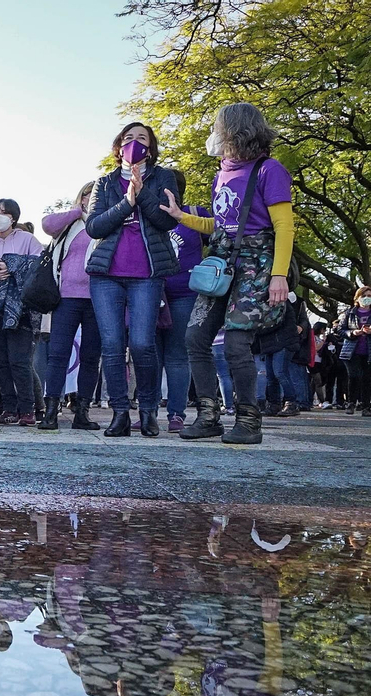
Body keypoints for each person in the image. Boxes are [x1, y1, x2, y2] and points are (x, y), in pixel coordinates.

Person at [164, 102, 296, 444]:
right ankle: (208, 415)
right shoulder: (220, 173)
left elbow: (284, 226)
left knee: (237, 344)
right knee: (195, 337)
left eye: (218, 127)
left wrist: (279, 275)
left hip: (257, 266)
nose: (215, 134)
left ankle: (249, 420)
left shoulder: (270, 170)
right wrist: (182, 217)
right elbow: (221, 225)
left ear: (236, 130)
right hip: (221, 263)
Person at [85, 123, 182, 437]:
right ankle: (119, 413)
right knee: (112, 346)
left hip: (147, 274)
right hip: (106, 275)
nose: (135, 143)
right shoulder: (104, 182)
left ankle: (149, 410)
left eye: (142, 139)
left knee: (142, 344)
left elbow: (167, 219)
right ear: (118, 147)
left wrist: (142, 196)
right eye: (129, 138)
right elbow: (94, 226)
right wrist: (125, 202)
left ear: (151, 148)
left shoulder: (163, 177)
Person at [39, 183, 102, 430]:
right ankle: (51, 411)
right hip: (66, 298)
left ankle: (82, 412)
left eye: (97, 193)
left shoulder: (108, 220)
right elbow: (47, 224)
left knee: (91, 356)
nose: (92, 197)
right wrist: (77, 211)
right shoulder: (70, 223)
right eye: (89, 193)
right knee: (58, 355)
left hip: (98, 299)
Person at [0, 198, 46, 426]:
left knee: (20, 361)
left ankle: (27, 410)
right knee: (1, 361)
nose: (0, 216)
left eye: (5, 212)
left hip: (21, 310)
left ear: (14, 217)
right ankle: (8, 409)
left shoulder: (27, 239)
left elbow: (40, 263)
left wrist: (14, 265)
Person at [159, 169, 209, 432]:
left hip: (185, 293)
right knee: (149, 353)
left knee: (177, 355)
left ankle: (176, 413)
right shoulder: (149, 213)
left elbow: (220, 241)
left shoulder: (197, 213)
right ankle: (146, 409)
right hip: (152, 292)